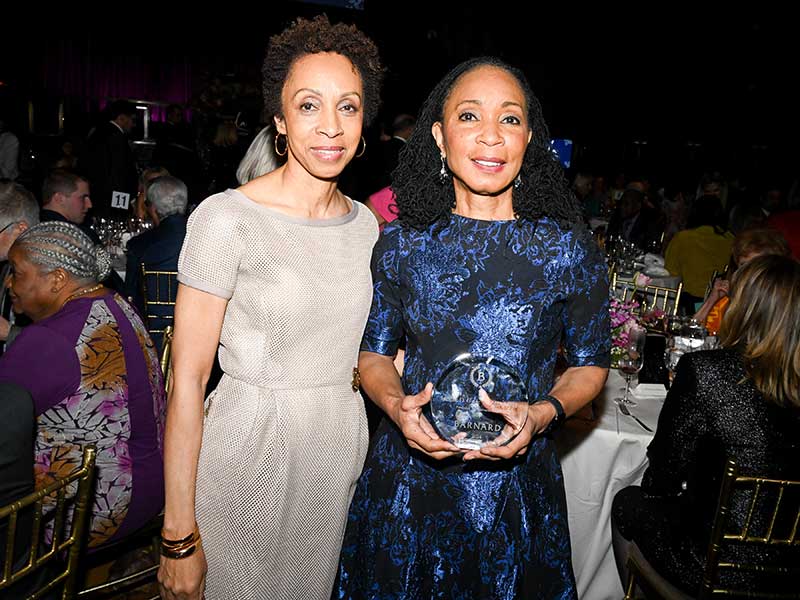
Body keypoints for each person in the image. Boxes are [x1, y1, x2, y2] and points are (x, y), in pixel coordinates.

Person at [335, 56, 610, 599]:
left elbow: (589, 364)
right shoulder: (402, 243)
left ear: (530, 138)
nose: (490, 136)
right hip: (410, 488)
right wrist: (396, 407)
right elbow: (373, 356)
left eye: (509, 119)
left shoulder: (568, 248)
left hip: (517, 493)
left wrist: (543, 412)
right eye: (469, 117)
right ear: (438, 137)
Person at [157, 15, 384, 600]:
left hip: (334, 452)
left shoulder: (369, 229)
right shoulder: (226, 219)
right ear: (280, 122)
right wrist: (178, 533)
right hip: (247, 448)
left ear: (365, 123)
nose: (330, 127)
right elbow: (187, 381)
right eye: (308, 106)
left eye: (348, 107)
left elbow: (367, 353)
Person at [611, 254, 800, 595]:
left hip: (711, 565)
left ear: (744, 308)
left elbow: (661, 480)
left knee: (628, 501)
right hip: (791, 571)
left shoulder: (708, 371)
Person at [0, 222, 166, 549]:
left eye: (16, 273)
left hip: (90, 512)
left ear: (58, 279)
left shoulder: (49, 340)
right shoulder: (116, 303)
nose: (8, 283)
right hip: (149, 487)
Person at [124, 175, 188, 353]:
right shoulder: (202, 239)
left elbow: (129, 298)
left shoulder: (139, 245)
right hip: (195, 333)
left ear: (152, 208)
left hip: (151, 339)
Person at [693, 227, 790, 334]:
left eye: (755, 265)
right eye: (743, 265)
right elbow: (692, 335)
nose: (747, 272)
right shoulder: (729, 301)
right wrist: (712, 300)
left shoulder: (786, 302)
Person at [664, 194, 734, 313]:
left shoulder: (683, 238)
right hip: (721, 303)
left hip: (689, 303)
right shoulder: (732, 239)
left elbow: (670, 271)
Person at [0, 181, 39, 352]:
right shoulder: (9, 262)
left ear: (20, 230)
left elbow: (61, 351)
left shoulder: (51, 275)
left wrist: (8, 332)